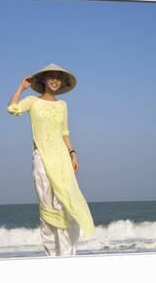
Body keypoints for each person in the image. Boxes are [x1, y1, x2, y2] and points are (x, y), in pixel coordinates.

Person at [6, 63, 96, 256]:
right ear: (44, 80)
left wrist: (73, 153)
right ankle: (52, 256)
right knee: (47, 206)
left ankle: (67, 254)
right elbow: (11, 109)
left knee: (65, 203)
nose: (55, 80)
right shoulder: (32, 101)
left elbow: (65, 132)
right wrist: (21, 87)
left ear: (62, 82)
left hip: (62, 158)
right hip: (42, 157)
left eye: (59, 77)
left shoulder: (63, 105)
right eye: (51, 76)